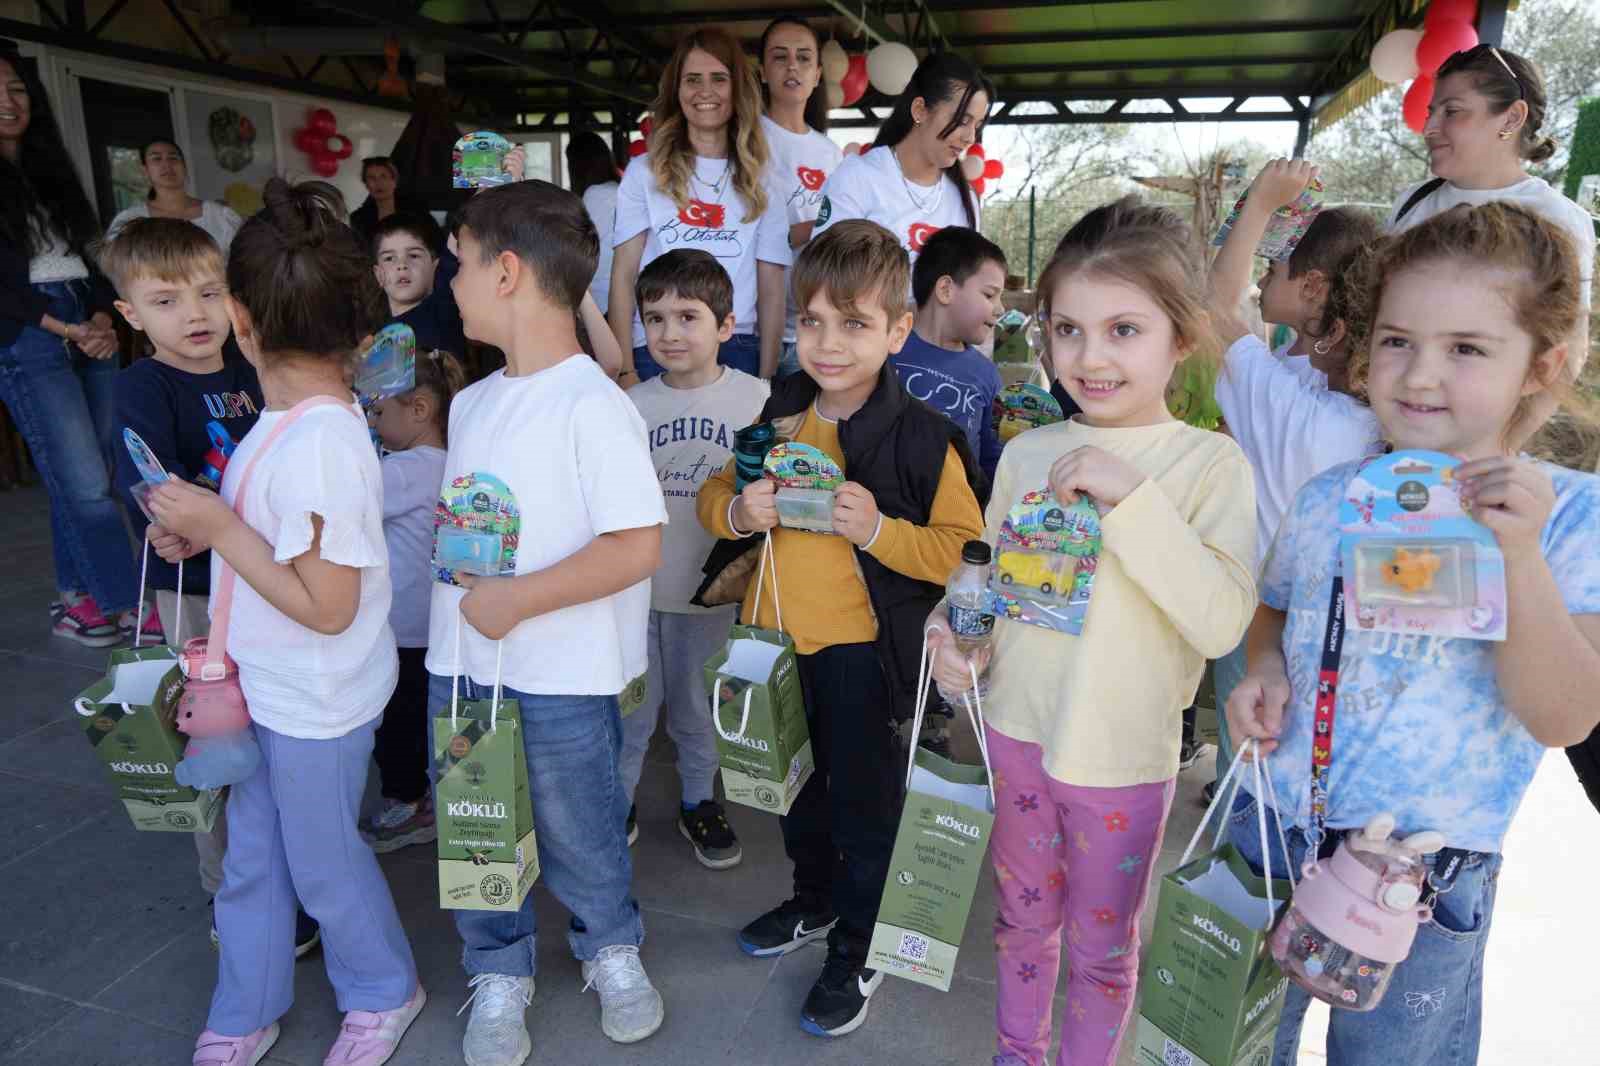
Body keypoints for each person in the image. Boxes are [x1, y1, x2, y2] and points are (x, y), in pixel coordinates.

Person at [1226, 202, 1600, 1066]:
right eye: (1397, 340)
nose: (1420, 374)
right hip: (1278, 829)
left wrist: (1517, 553)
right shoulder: (1334, 497)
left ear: (1540, 365)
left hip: (1433, 871)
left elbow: (1563, 718)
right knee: (1234, 1044)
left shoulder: (1572, 519)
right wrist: (1261, 669)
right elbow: (1274, 607)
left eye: (1466, 348)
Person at [929, 196, 1258, 1066]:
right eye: (1067, 330)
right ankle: (1017, 1053)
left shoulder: (1207, 464)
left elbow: (1222, 621)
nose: (1089, 356)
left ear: (1179, 338)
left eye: (1123, 329)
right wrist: (958, 638)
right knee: (1022, 923)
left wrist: (1131, 498)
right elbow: (992, 581)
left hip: (1122, 759)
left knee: (1104, 951)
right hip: (1018, 733)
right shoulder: (1031, 452)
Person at [145, 178, 422, 1066]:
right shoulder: (286, 422)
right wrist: (207, 536)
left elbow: (329, 606)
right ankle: (246, 1002)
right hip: (265, 682)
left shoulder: (322, 445)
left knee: (321, 865)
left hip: (318, 698)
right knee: (255, 857)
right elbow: (275, 550)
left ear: (240, 318)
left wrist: (221, 527)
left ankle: (385, 989)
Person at [696, 220, 985, 1038]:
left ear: (898, 329)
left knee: (864, 809)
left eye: (855, 323)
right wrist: (739, 509)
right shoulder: (780, 405)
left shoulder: (923, 437)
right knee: (790, 792)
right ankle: (814, 902)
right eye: (812, 320)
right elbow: (715, 496)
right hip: (772, 649)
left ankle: (860, 942)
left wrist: (878, 532)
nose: (828, 343)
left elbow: (961, 555)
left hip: (859, 658)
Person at [428, 179, 667, 1064]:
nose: (450, 285)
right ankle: (498, 967)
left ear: (508, 273)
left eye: (459, 264)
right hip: (465, 666)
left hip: (564, 671)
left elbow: (636, 546)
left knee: (581, 822)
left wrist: (517, 601)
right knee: (475, 819)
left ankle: (611, 947)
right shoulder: (472, 403)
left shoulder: (592, 404)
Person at [1205, 159, 1383, 780]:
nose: (1259, 281)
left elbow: (1218, 304)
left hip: (1259, 618)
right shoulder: (1348, 408)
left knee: (1250, 772)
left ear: (1311, 288)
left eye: (1272, 269)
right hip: (1331, 625)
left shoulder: (1293, 408)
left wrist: (1258, 205)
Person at [619, 248, 768, 864]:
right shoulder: (630, 404)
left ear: (726, 326)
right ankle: (616, 802)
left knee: (699, 709)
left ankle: (698, 802)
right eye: (655, 319)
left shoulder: (758, 401)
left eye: (688, 316)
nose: (670, 333)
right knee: (630, 712)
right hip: (633, 591)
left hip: (710, 595)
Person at [0, 44, 138, 646]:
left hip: (85, 314)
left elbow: (91, 256)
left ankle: (76, 597)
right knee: (82, 478)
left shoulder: (49, 170)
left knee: (90, 473)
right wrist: (65, 329)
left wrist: (104, 316)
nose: (8, 104)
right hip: (29, 334)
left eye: (18, 91)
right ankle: (126, 600)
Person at [1394, 45, 1593, 384]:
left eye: (1451, 111)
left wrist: (1505, 439)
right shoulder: (1412, 201)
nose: (1428, 127)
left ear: (1512, 118)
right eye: (1431, 112)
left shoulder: (1557, 218)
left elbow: (1567, 354)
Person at [608, 27, 791, 383]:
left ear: (737, 89)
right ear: (676, 91)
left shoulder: (764, 179)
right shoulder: (645, 172)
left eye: (718, 79)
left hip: (737, 345)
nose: (705, 91)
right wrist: (625, 369)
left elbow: (771, 289)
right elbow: (623, 277)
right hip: (658, 347)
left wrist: (766, 379)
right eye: (692, 79)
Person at [361, 349, 464, 853]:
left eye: (379, 411)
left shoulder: (406, 469)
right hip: (433, 624)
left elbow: (351, 497)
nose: (373, 422)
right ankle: (429, 796)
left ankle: (408, 801)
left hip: (401, 627)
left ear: (420, 409)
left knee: (395, 723)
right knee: (421, 716)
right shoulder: (446, 462)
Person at [812, 52, 990, 270]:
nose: (970, 137)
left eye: (977, 125)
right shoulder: (858, 177)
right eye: (962, 120)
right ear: (919, 110)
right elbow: (824, 281)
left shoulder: (965, 200)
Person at [757, 15, 844, 378]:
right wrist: (809, 230)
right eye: (780, 56)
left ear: (818, 74)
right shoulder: (748, 141)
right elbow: (742, 231)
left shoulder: (830, 153)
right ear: (762, 71)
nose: (792, 65)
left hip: (818, 329)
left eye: (804, 57)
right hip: (758, 330)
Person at [896, 225, 1006, 487]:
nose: (1001, 308)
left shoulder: (987, 375)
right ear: (945, 289)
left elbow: (992, 461)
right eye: (990, 295)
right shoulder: (885, 351)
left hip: (958, 520)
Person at [105, 139, 244, 253]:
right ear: (145, 171)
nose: (167, 164)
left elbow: (244, 262)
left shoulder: (221, 216)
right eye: (156, 159)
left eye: (173, 157)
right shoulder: (130, 221)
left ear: (184, 166)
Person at [371, 212, 467, 358]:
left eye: (413, 255)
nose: (401, 265)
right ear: (378, 275)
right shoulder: (374, 332)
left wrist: (486, 187)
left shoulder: (443, 308)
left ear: (435, 267)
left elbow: (466, 219)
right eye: (389, 258)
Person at [567, 132, 620, 315]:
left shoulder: (595, 195)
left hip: (602, 296)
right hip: (622, 292)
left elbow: (583, 247)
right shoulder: (617, 189)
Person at [351, 156, 427, 247]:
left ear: (394, 181)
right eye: (371, 178)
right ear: (366, 184)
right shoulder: (358, 218)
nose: (378, 183)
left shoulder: (416, 212)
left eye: (383, 177)